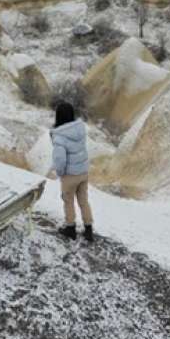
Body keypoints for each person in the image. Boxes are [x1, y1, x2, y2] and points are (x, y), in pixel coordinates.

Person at [50, 102, 93, 242]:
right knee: (84, 201)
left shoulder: (59, 137)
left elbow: (59, 159)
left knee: (68, 201)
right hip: (83, 172)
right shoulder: (80, 129)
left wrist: (60, 173)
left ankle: (70, 229)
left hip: (70, 175)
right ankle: (88, 230)